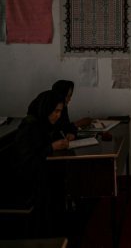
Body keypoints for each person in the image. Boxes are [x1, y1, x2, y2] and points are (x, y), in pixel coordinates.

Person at [10, 90, 69, 236]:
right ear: (46, 108)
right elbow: (27, 161)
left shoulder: (44, 124)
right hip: (26, 182)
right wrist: (52, 147)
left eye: (60, 111)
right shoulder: (29, 127)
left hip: (40, 175)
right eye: (55, 111)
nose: (58, 115)